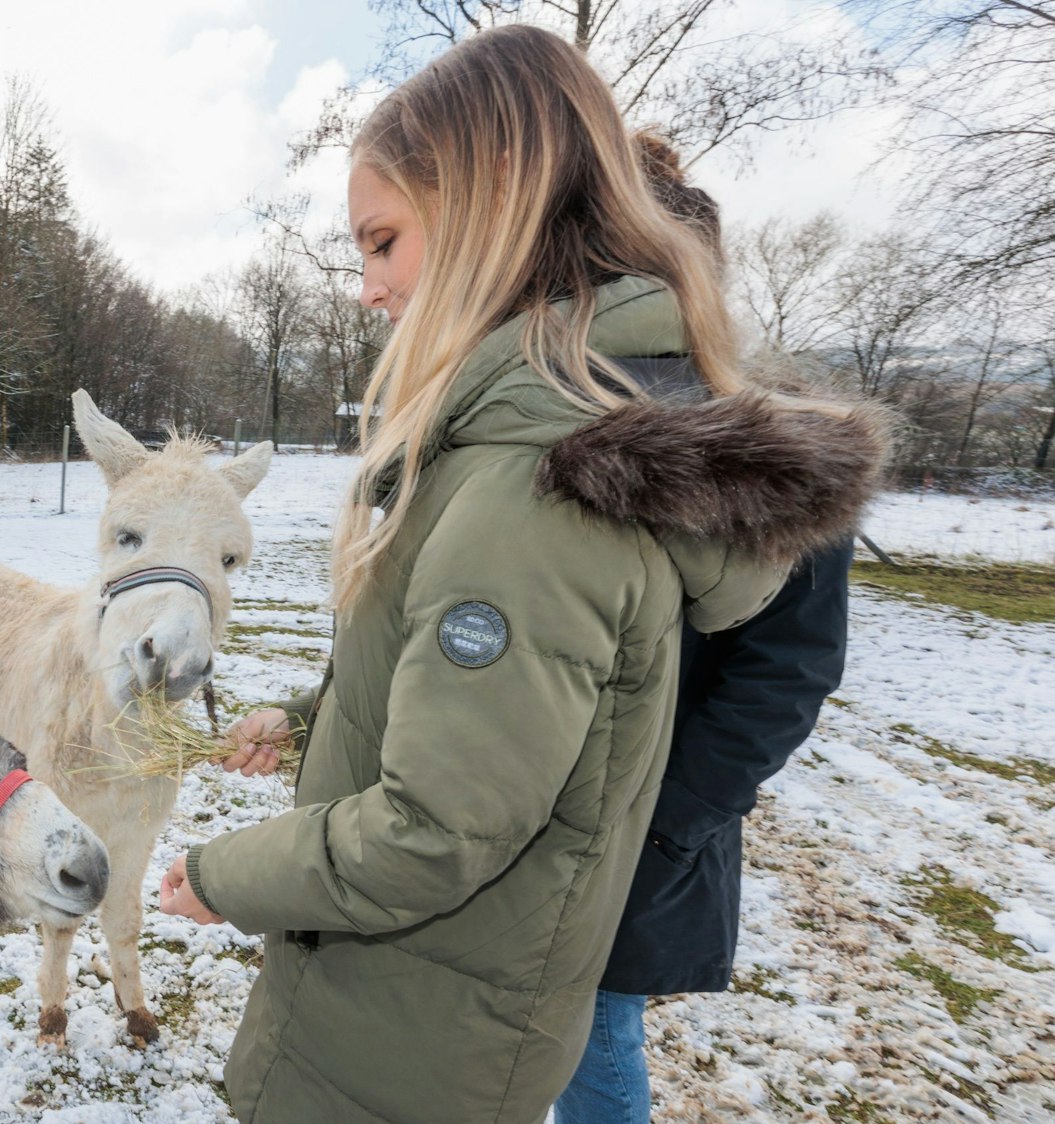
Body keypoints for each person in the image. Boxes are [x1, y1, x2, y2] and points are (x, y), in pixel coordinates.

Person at [157, 24, 888, 1124]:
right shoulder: (514, 442)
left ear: (491, 201)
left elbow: (440, 825)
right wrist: (314, 722)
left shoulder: (533, 483)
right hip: (436, 994)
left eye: (384, 241)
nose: (367, 287)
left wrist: (225, 873)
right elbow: (471, 683)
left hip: (420, 1016)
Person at [550, 134, 857, 1124]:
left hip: (644, 826)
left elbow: (788, 668)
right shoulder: (551, 413)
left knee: (593, 1029)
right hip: (518, 800)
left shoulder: (772, 446)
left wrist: (673, 814)